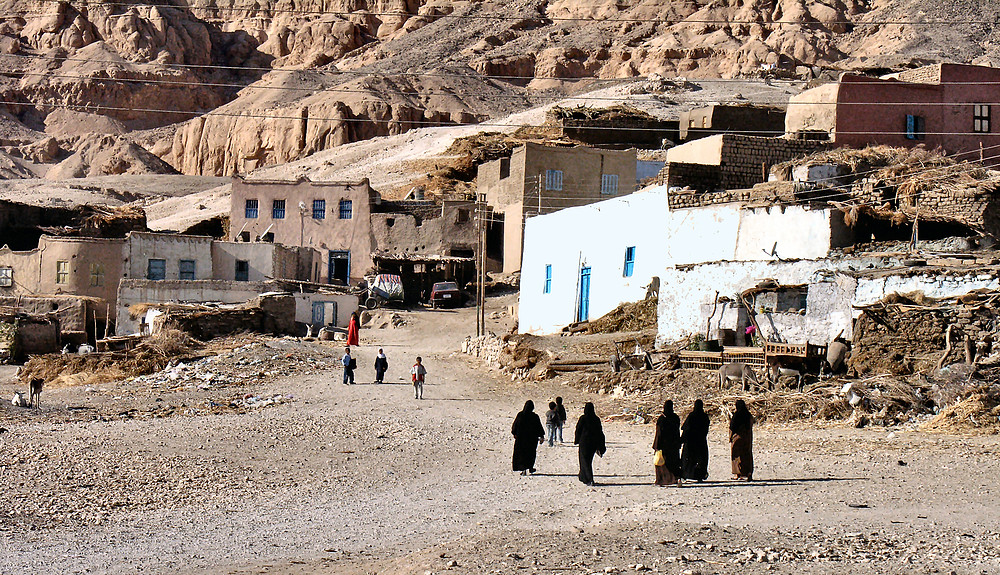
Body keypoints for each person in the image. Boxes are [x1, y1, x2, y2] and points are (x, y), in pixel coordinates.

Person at [574, 402, 606, 486]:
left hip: (584, 443)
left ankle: (589, 479)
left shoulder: (583, 419)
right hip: (593, 444)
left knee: (584, 461)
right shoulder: (596, 419)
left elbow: (578, 430)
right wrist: (601, 445)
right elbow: (600, 432)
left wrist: (576, 440)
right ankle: (583, 477)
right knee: (588, 461)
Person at [653, 400, 682, 487]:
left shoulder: (662, 419)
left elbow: (658, 433)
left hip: (664, 445)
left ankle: (662, 481)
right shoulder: (675, 417)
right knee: (674, 462)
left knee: (663, 464)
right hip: (674, 444)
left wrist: (656, 446)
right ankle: (676, 479)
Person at [511, 400, 545, 475]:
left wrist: (514, 433)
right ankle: (530, 467)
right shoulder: (534, 417)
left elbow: (515, 425)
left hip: (521, 439)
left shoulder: (520, 415)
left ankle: (523, 469)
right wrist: (541, 436)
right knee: (530, 454)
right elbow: (538, 427)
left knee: (521, 454)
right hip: (531, 440)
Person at [680, 399, 710, 482]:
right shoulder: (704, 416)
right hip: (701, 441)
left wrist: (682, 440)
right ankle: (699, 476)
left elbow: (686, 428)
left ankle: (687, 475)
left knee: (689, 459)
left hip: (691, 442)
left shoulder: (692, 416)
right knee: (701, 459)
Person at [730, 399, 755, 481]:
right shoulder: (748, 415)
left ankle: (738, 474)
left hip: (738, 437)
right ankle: (748, 473)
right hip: (747, 438)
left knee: (737, 456)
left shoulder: (737, 415)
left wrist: (730, 436)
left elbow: (732, 426)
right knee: (747, 455)